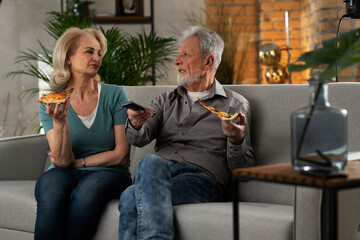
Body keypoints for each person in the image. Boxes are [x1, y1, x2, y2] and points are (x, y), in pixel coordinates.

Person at [118, 26, 255, 240]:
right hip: (158, 174)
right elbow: (138, 138)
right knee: (149, 166)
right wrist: (135, 123)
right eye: (179, 54)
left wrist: (236, 140)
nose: (176, 61)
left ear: (208, 61)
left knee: (130, 195)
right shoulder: (165, 100)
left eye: (185, 54)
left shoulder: (235, 105)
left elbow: (243, 168)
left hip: (201, 180)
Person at [35, 27, 132, 240]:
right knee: (50, 193)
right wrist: (60, 122)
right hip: (62, 172)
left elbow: (121, 154)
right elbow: (62, 160)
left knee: (88, 192)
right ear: (68, 58)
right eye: (89, 52)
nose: (96, 57)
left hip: (110, 173)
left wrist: (78, 164)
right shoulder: (51, 102)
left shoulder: (115, 94)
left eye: (99, 53)